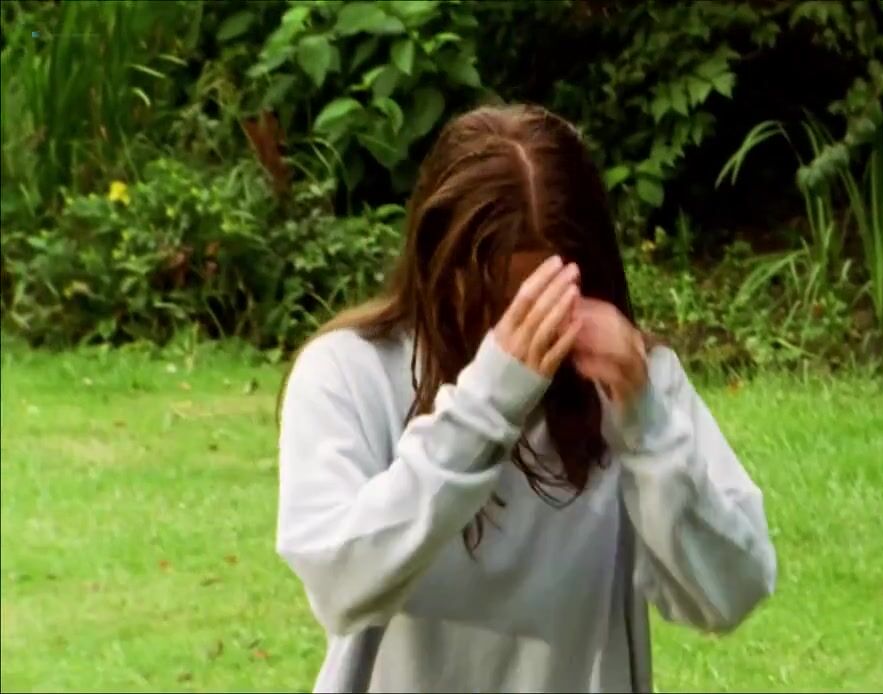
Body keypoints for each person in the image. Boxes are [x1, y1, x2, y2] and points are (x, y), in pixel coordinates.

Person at [275, 103, 777, 693]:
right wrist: (486, 405)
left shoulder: (630, 381)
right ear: (436, 267)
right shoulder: (348, 371)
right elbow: (337, 584)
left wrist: (647, 426)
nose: (516, 328)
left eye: (547, 298)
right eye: (492, 298)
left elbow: (730, 593)